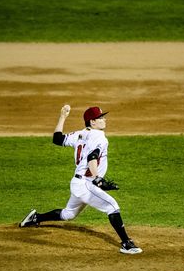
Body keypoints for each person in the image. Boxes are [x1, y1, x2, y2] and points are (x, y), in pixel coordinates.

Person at [19, 105, 142, 255]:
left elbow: (57, 139)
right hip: (86, 184)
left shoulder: (79, 134)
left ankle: (36, 217)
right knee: (112, 207)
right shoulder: (99, 137)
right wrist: (97, 178)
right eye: (100, 117)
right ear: (92, 122)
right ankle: (126, 243)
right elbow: (92, 157)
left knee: (68, 214)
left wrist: (62, 117)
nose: (104, 119)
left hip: (78, 183)